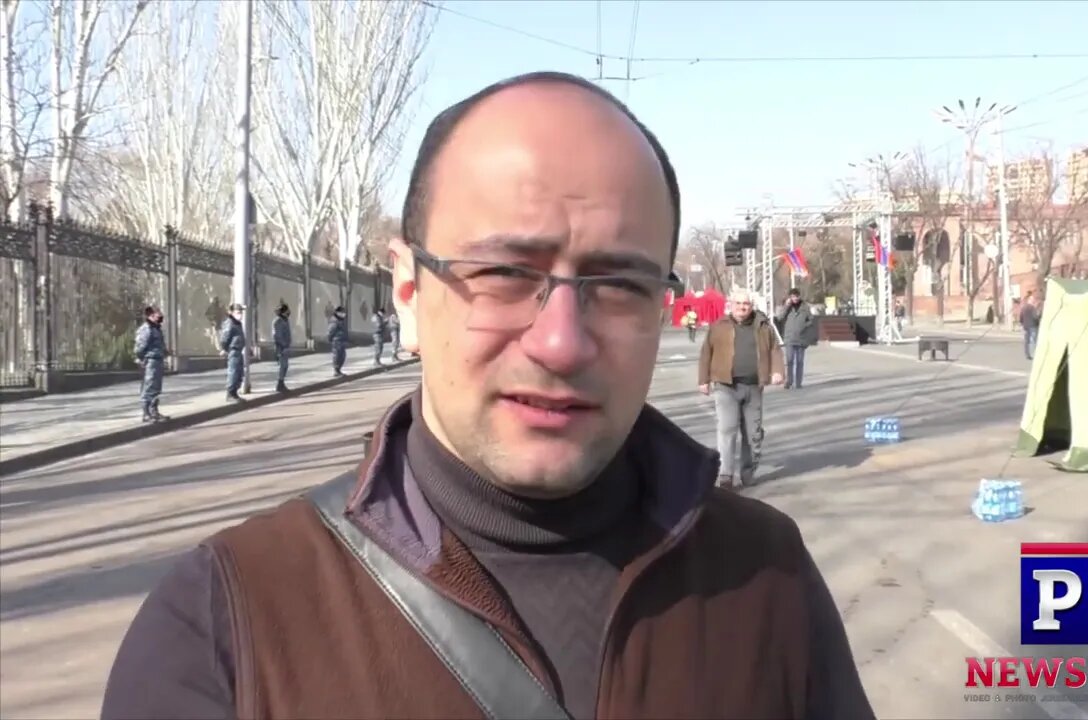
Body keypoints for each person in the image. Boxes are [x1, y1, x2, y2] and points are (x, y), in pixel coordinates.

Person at [101, 71, 876, 720]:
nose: (562, 342)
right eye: (505, 274)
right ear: (407, 290)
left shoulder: (765, 576)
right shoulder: (226, 621)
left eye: (619, 286)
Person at [698, 288, 784, 489]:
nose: (742, 307)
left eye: (745, 304)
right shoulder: (719, 326)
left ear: (751, 306)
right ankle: (726, 475)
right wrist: (703, 380)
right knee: (727, 429)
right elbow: (705, 353)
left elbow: (775, 349)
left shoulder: (763, 326)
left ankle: (747, 472)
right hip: (726, 385)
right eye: (738, 304)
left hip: (754, 386)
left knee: (752, 433)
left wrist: (778, 370)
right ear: (731, 305)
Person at [133, 305, 168, 423]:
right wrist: (141, 358)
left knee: (156, 387)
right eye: (157, 314)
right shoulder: (146, 329)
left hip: (158, 360)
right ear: (151, 315)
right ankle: (146, 413)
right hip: (151, 361)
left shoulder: (156, 328)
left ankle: (154, 411)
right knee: (149, 386)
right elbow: (140, 348)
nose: (160, 316)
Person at [779, 288, 815, 389]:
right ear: (790, 297)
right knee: (789, 360)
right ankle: (789, 381)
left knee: (799, 361)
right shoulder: (788, 307)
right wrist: (786, 306)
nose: (795, 298)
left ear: (799, 296)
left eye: (796, 296)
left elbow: (811, 319)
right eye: (793, 297)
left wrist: (804, 325)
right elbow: (779, 317)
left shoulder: (805, 307)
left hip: (801, 338)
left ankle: (799, 382)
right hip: (789, 337)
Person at [218, 303, 246, 402]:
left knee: (239, 372)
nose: (240, 315)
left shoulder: (237, 323)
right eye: (238, 312)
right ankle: (230, 393)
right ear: (232, 313)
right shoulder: (229, 323)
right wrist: (224, 349)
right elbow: (225, 337)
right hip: (233, 350)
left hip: (238, 350)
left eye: (241, 312)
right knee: (233, 372)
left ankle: (235, 392)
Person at [272, 303, 292, 393]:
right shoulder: (278, 321)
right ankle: (280, 384)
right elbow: (277, 336)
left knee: (285, 366)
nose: (289, 312)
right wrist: (283, 346)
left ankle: (281, 382)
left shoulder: (285, 320)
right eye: (287, 310)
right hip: (281, 347)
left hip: (285, 346)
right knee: (282, 365)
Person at [1019, 291, 1041, 360]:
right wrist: (1039, 318)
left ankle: (1027, 354)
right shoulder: (1033, 308)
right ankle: (1034, 354)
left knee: (1026, 341)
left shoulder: (1023, 307)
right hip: (1033, 326)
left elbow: (1021, 317)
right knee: (1033, 341)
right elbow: (1035, 317)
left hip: (1025, 326)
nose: (1034, 301)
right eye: (1033, 300)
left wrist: (1022, 323)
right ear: (1031, 301)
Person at [328, 305, 348, 376]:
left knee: (342, 356)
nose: (343, 314)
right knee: (337, 356)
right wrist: (330, 339)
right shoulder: (334, 321)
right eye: (341, 312)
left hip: (342, 341)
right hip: (337, 341)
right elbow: (331, 331)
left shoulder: (341, 320)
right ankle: (336, 370)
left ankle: (339, 370)